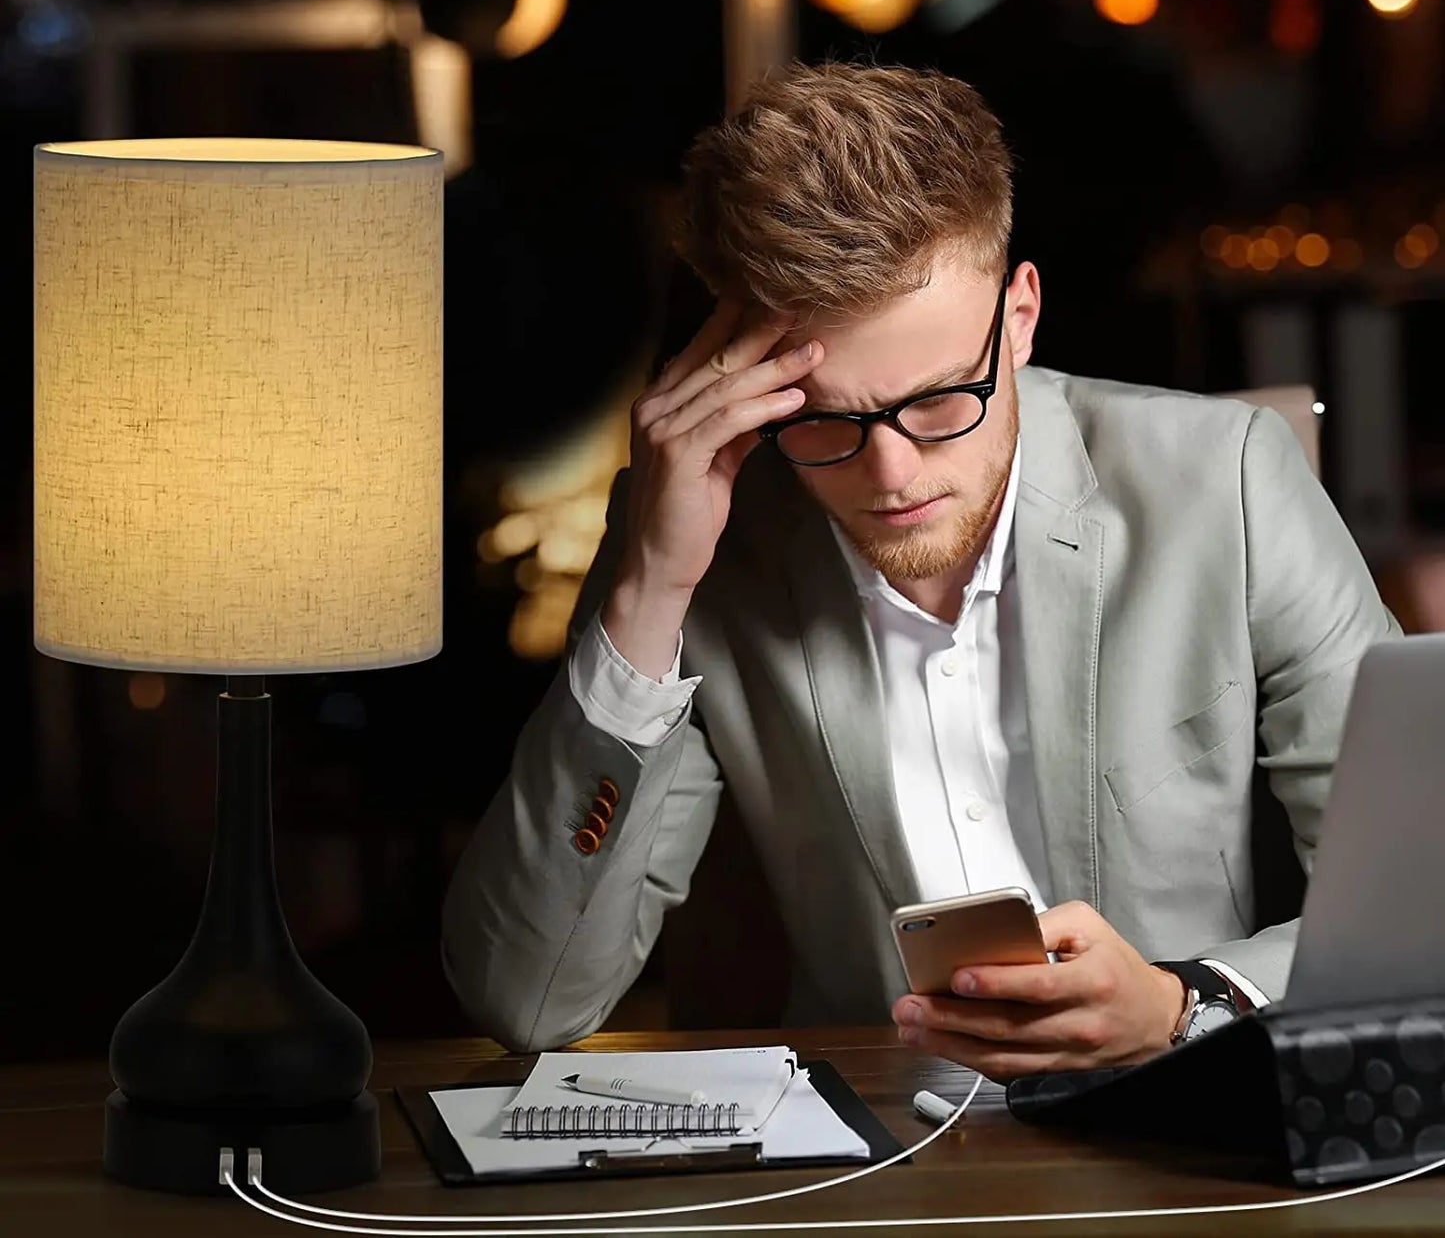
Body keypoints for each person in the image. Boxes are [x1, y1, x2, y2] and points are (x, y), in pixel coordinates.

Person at [441, 61, 1398, 1081]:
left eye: (941, 401)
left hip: (1189, 1125)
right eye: (824, 419)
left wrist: (1184, 1003)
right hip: (879, 1165)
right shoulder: (699, 552)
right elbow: (526, 995)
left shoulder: (1229, 483)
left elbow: (1412, 897)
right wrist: (647, 592)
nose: (889, 473)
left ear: (1018, 316)